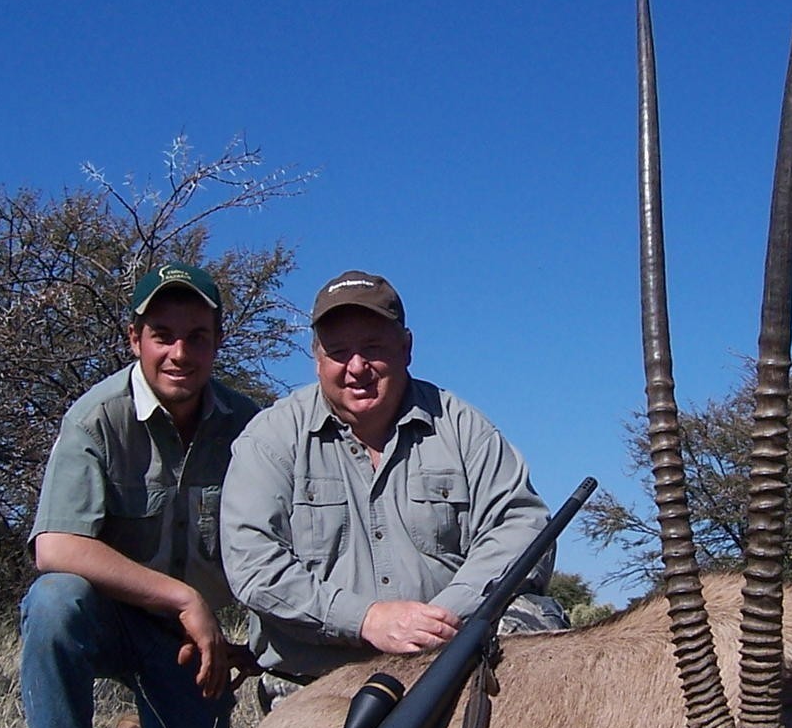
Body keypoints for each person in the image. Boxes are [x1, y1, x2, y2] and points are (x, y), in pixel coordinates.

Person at [220, 269, 566, 700]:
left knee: (536, 618)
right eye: (339, 352)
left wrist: (442, 617)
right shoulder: (269, 438)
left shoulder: (460, 426)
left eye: (373, 348)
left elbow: (521, 526)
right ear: (317, 358)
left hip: (448, 658)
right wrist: (367, 619)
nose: (357, 368)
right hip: (319, 681)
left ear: (406, 348)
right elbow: (254, 564)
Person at [21, 262, 260, 728]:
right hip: (109, 617)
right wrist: (183, 599)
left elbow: (279, 543)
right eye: (163, 336)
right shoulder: (95, 418)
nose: (180, 353)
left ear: (218, 340)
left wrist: (262, 641)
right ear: (135, 340)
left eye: (197, 336)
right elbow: (54, 545)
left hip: (187, 645)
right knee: (54, 602)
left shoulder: (252, 426)